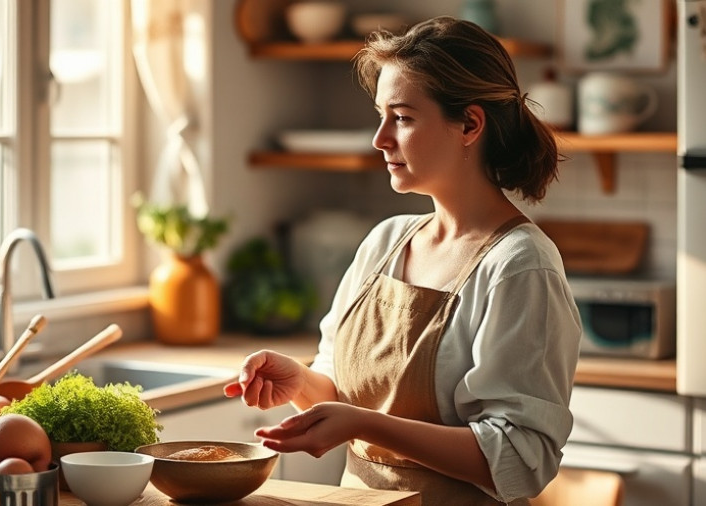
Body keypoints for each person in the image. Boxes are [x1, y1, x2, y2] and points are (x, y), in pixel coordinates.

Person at [223, 16, 582, 506]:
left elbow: (521, 459)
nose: (380, 138)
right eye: (380, 115)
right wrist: (300, 381)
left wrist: (368, 426)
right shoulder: (385, 242)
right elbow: (344, 399)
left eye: (403, 117)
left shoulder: (520, 264)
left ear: (470, 125)